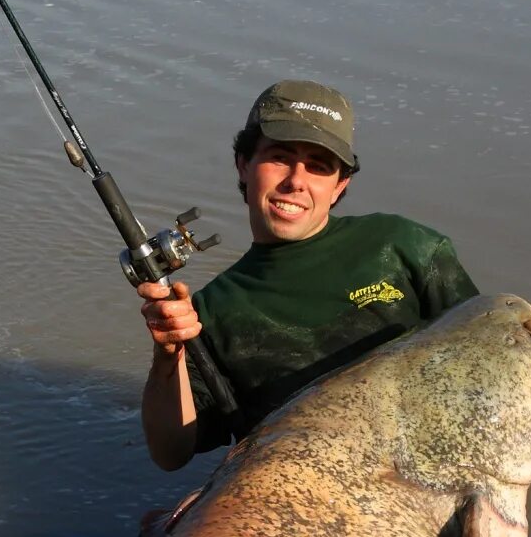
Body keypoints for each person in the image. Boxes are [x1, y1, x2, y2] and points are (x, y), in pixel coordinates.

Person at [136, 80, 482, 472]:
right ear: (243, 165)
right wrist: (169, 355)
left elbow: (486, 366)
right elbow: (170, 453)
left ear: (340, 185)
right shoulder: (211, 311)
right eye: (280, 157)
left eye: (318, 166)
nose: (296, 180)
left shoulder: (406, 246)